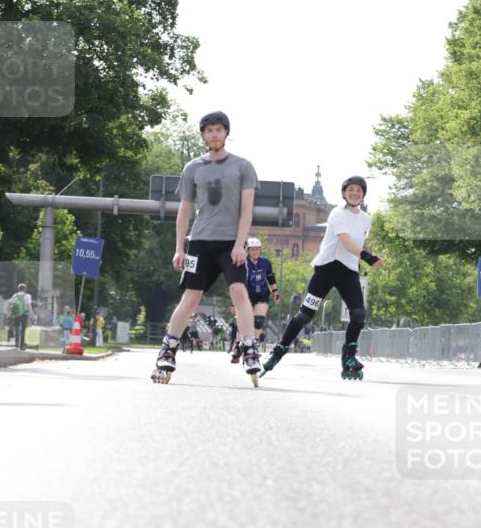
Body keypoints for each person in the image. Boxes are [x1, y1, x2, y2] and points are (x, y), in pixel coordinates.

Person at [152, 110, 262, 382]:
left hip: (230, 243)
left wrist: (241, 244)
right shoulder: (193, 168)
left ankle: (249, 347)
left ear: (226, 133)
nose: (214, 134)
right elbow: (185, 210)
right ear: (203, 134)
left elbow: (247, 210)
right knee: (191, 296)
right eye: (209, 130)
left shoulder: (243, 166)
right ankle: (168, 348)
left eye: (219, 129)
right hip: (200, 241)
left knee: (238, 290)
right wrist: (179, 247)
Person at [261, 176, 383, 380]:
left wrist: (367, 254)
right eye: (350, 190)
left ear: (363, 194)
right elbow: (346, 241)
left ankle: (349, 357)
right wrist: (368, 257)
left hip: (349, 271)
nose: (355, 193)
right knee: (305, 315)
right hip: (326, 268)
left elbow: (360, 243)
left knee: (359, 313)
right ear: (344, 193)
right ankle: (278, 351)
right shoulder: (337, 213)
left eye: (359, 190)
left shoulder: (365, 219)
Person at [230, 237, 280, 363]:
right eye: (252, 249)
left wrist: (275, 292)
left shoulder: (266, 262)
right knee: (243, 321)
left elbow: (270, 278)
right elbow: (234, 282)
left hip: (262, 294)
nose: (255, 251)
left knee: (258, 320)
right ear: (247, 250)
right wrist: (233, 302)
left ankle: (254, 345)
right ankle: (237, 346)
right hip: (245, 295)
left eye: (257, 249)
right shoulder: (242, 262)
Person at [9, 283, 32, 350]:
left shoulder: (14, 295)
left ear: (18, 289)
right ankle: (22, 346)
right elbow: (29, 305)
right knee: (23, 330)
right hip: (24, 314)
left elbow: (11, 305)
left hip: (16, 314)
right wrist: (31, 313)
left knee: (16, 328)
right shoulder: (27, 296)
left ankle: (16, 343)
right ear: (25, 289)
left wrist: (10, 314)